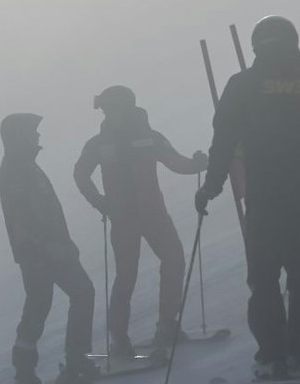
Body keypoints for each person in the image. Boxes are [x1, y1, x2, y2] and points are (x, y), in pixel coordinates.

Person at [197, 15, 300, 379]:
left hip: (265, 192)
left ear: (258, 46)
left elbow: (223, 140)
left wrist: (210, 187)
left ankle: (273, 355)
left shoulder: (243, 84)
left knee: (264, 275)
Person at [73, 86, 208, 357]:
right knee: (130, 275)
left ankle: (163, 326)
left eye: (110, 108)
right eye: (106, 110)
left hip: (145, 215)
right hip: (136, 217)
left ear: (124, 107)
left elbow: (177, 163)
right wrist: (100, 202)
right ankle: (126, 337)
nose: (107, 114)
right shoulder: (140, 138)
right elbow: (80, 175)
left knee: (166, 264)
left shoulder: (111, 142)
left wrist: (196, 166)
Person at [0, 113, 98, 384]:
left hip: (55, 248)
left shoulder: (27, 166)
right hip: (38, 254)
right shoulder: (16, 170)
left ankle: (78, 359)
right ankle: (24, 376)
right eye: (33, 133)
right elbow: (22, 218)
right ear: (19, 137)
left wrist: (63, 241)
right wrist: (46, 244)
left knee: (82, 293)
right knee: (39, 306)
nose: (38, 137)